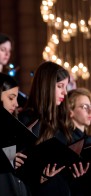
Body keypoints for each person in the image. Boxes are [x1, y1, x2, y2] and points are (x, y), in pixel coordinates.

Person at [18, 61, 89, 196]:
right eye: (60, 86)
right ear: (46, 86)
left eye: (66, 86)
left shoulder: (63, 121)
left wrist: (76, 172)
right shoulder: (26, 119)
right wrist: (41, 176)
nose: (65, 92)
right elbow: (11, 161)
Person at [68, 88, 91, 196]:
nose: (89, 111)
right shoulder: (65, 140)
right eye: (84, 107)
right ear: (70, 111)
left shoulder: (88, 138)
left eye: (90, 107)